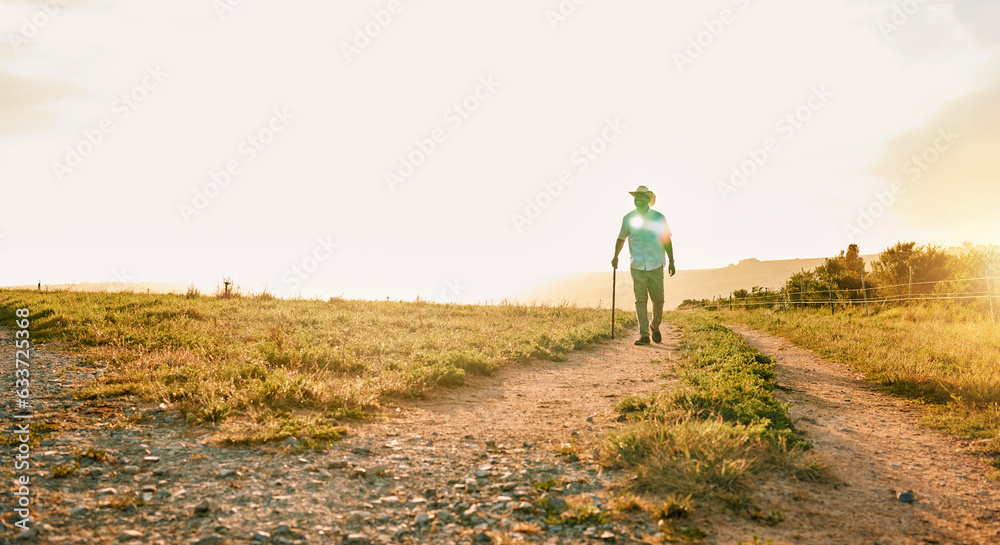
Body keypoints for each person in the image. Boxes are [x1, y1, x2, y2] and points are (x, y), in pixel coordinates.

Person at [611, 186, 675, 345]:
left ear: (648, 200)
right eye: (635, 196)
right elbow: (621, 238)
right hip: (637, 266)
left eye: (641, 196)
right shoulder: (628, 219)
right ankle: (644, 335)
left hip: (656, 265)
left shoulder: (659, 218)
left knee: (658, 300)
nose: (637, 198)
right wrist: (616, 256)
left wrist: (672, 261)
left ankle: (655, 325)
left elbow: (666, 239)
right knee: (640, 300)